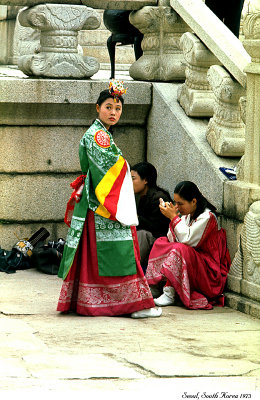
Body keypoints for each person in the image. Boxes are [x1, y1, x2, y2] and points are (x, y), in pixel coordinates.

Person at [57, 80, 162, 319]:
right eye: (108, 107)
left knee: (97, 255)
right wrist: (125, 167)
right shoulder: (99, 136)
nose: (113, 112)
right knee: (122, 252)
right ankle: (134, 305)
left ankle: (91, 301)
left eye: (118, 109)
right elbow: (112, 168)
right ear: (97, 108)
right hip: (104, 203)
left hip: (97, 201)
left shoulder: (99, 134)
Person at [145, 181, 231, 310]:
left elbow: (187, 240)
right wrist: (172, 218)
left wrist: (173, 218)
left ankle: (170, 292)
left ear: (194, 201)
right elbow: (172, 239)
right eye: (176, 203)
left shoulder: (208, 216)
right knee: (161, 241)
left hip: (207, 269)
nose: (177, 207)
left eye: (180, 203)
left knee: (179, 249)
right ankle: (156, 285)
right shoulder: (188, 215)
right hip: (192, 261)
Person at [131, 162, 172, 273]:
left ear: (145, 180)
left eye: (133, 178)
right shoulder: (142, 196)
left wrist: (135, 217)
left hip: (160, 241)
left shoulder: (159, 197)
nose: (130, 183)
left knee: (142, 234)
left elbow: (157, 228)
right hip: (148, 239)